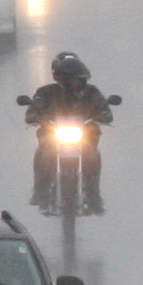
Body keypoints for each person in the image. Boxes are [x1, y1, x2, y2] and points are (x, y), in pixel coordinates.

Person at [25, 51, 116, 213]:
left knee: (92, 156)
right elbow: (34, 109)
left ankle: (93, 195)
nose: (73, 82)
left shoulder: (91, 92)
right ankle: (40, 191)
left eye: (76, 78)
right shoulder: (46, 92)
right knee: (44, 154)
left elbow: (104, 108)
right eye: (69, 78)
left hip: (85, 136)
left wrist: (103, 115)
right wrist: (34, 115)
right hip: (52, 134)